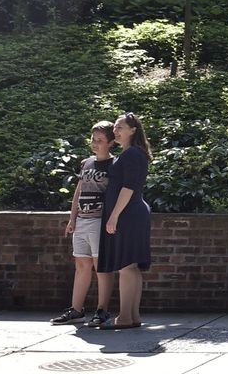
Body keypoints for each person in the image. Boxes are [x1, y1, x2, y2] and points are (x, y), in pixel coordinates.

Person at [52, 120, 117, 328]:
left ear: (111, 142)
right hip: (82, 220)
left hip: (100, 221)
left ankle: (102, 310)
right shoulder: (86, 163)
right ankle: (76, 309)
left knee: (102, 267)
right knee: (81, 265)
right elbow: (78, 191)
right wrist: (72, 218)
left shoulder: (115, 165)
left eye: (100, 140)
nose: (95, 144)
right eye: (93, 139)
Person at [98, 111, 153, 330]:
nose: (115, 131)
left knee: (126, 266)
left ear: (133, 130)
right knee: (131, 267)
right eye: (115, 128)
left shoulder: (132, 155)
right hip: (132, 213)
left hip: (128, 214)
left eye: (120, 127)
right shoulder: (132, 154)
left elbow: (128, 187)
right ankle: (132, 316)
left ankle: (125, 317)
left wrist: (114, 216)